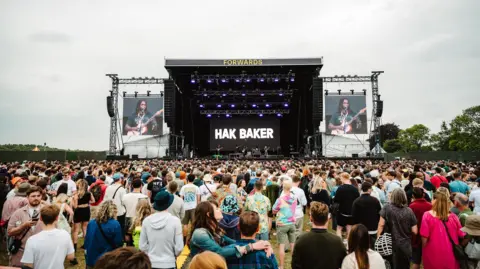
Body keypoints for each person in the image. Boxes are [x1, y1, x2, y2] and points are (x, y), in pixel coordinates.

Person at [187, 201, 271, 267]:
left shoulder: (214, 230)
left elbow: (234, 242)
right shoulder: (200, 234)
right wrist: (252, 247)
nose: (220, 210)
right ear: (209, 214)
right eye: (216, 208)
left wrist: (263, 245)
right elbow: (219, 252)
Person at [292, 201, 346, 269]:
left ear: (311, 218)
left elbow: (295, 265)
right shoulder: (337, 241)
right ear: (328, 219)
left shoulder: (301, 240)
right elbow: (344, 263)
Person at [420, 190, 466, 269]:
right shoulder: (454, 217)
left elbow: (424, 237)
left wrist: (423, 248)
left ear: (435, 200)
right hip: (450, 252)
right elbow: (461, 234)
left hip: (432, 251)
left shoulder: (427, 215)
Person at [21, 205, 75, 269]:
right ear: (57, 218)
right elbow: (71, 257)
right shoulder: (65, 234)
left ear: (40, 218)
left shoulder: (32, 240)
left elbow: (28, 265)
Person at [139, 191, 184, 269]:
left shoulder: (147, 221)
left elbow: (142, 246)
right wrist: (173, 255)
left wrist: (149, 254)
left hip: (151, 262)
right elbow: (179, 247)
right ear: (169, 204)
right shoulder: (175, 221)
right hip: (169, 263)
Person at [377, 188, 418, 269]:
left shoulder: (386, 208)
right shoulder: (409, 211)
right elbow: (415, 231)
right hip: (405, 246)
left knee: (390, 265)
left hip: (389, 244)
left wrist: (379, 238)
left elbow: (381, 225)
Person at [7, 186, 44, 267]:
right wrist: (23, 226)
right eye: (33, 196)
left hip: (41, 252)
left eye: (38, 196)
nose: (36, 198)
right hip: (22, 252)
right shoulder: (18, 213)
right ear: (27, 197)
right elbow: (9, 232)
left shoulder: (46, 212)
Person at [84, 200, 123, 268]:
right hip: (106, 259)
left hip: (91, 258)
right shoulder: (115, 224)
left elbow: (87, 240)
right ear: (114, 211)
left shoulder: (91, 223)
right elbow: (118, 243)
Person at [272, 177, 297, 269]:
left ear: (283, 186)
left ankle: (281, 266)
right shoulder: (294, 198)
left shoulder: (280, 199)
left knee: (281, 246)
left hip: (282, 224)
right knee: (293, 245)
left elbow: (274, 210)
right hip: (292, 223)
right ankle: (294, 264)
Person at [351, 182, 381, 248]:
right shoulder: (375, 200)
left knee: (362, 247)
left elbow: (353, 216)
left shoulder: (356, 201)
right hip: (373, 228)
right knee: (373, 247)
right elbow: (379, 214)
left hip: (360, 228)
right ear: (369, 189)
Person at [409, 187, 432, 269]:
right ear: (423, 195)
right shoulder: (430, 205)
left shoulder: (412, 206)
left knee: (416, 261)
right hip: (429, 235)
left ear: (413, 195)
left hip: (416, 236)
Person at [334, 172, 360, 239]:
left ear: (343, 178)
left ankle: (339, 243)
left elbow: (336, 200)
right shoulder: (355, 189)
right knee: (349, 229)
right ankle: (348, 245)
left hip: (342, 212)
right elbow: (357, 200)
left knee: (339, 228)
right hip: (351, 212)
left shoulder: (340, 188)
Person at [122, 178, 148, 245]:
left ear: (132, 186)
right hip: (140, 219)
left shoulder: (125, 196)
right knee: (139, 240)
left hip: (128, 218)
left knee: (128, 241)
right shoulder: (145, 197)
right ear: (141, 186)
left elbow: (123, 206)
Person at [72, 178, 95, 251]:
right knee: (85, 228)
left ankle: (74, 247)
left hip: (78, 210)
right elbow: (93, 201)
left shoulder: (76, 194)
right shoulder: (89, 193)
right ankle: (86, 244)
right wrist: (87, 203)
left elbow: (75, 206)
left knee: (76, 230)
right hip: (86, 210)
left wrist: (73, 201)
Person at [104, 172, 127, 237]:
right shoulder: (122, 189)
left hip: (110, 210)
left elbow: (105, 199)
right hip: (119, 211)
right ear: (120, 179)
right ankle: (120, 239)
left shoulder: (109, 187)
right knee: (120, 226)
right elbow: (123, 201)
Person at [291, 174, 307, 239]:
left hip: (289, 213)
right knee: (298, 231)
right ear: (299, 182)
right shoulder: (300, 191)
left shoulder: (286, 189)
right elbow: (304, 203)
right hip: (298, 212)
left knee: (291, 231)